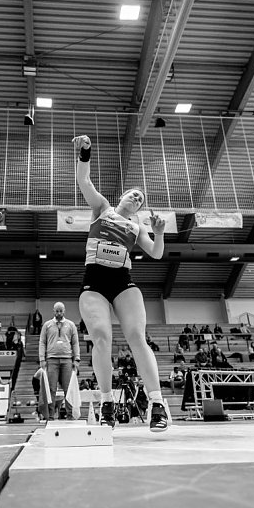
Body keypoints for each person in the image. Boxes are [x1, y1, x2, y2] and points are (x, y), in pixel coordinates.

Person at [73, 134, 169, 432]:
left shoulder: (137, 227)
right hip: (94, 281)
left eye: (140, 199)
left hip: (122, 281)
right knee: (101, 337)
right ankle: (107, 402)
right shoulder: (102, 208)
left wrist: (159, 233)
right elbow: (83, 181)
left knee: (137, 337)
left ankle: (157, 403)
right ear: (122, 196)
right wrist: (85, 153)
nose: (136, 198)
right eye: (133, 194)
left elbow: (156, 253)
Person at [38, 302, 81, 421]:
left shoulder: (71, 325)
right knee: (51, 389)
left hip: (67, 360)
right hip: (51, 360)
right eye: (57, 311)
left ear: (64, 311)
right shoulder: (47, 325)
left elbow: (75, 343)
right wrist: (42, 359)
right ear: (53, 311)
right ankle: (50, 416)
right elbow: (42, 342)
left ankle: (70, 415)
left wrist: (76, 359)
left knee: (68, 388)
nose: (59, 313)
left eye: (61, 311)